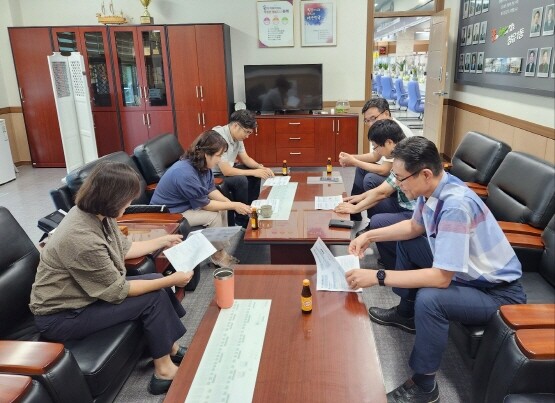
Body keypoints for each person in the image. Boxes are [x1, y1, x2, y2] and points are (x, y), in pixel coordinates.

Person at [345, 137, 525, 403]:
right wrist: (369, 236)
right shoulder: (434, 188)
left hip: (497, 293)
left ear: (425, 174)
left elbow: (441, 278)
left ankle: (425, 385)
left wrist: (377, 276)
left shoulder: (454, 205)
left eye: (401, 178)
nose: (398, 184)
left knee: (431, 299)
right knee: (409, 242)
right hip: (468, 274)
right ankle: (406, 313)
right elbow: (413, 227)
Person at [29, 162, 195, 395]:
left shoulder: (97, 215)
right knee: (153, 295)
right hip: (62, 317)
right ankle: (163, 372)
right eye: (126, 200)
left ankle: (169, 346)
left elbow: (124, 249)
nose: (129, 204)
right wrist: (173, 280)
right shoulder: (80, 238)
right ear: (110, 198)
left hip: (85, 298)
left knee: (155, 278)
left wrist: (162, 241)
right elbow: (118, 290)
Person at [151, 130, 252, 266]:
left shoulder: (203, 165)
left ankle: (220, 248)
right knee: (213, 216)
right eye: (218, 156)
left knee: (223, 208)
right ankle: (218, 255)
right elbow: (206, 205)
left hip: (185, 204)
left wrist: (230, 203)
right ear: (206, 154)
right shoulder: (185, 174)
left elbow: (210, 189)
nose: (220, 160)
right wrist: (234, 205)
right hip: (169, 212)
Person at [335, 120, 416, 265]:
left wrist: (355, 208)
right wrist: (359, 198)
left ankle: (395, 264)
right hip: (404, 202)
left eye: (377, 147)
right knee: (377, 205)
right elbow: (382, 189)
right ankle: (387, 246)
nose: (376, 152)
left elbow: (382, 193)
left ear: (389, 142)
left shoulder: (406, 158)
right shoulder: (402, 152)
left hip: (416, 211)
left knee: (378, 220)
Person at [338, 98, 414, 221]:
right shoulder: (384, 131)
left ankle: (366, 219)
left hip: (411, 204)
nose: (370, 123)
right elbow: (375, 156)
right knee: (361, 170)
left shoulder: (399, 141)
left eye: (373, 118)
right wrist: (351, 158)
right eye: (367, 121)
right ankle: (354, 211)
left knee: (370, 179)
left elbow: (385, 173)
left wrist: (354, 161)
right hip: (397, 184)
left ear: (386, 114)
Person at [212, 110, 274, 227]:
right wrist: (254, 172)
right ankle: (241, 219)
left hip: (227, 169)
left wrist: (260, 168)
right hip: (214, 175)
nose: (247, 136)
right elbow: (227, 171)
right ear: (236, 126)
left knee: (255, 174)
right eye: (246, 132)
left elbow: (245, 159)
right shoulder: (218, 138)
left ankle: (250, 209)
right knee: (241, 180)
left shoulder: (237, 137)